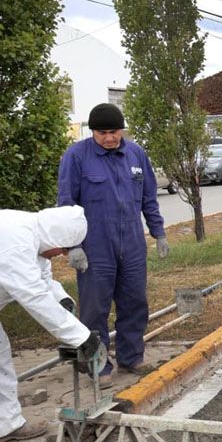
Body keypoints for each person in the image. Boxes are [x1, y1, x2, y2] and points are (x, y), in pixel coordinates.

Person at [0, 206, 99, 442]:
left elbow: (43, 283)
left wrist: (63, 302)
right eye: (62, 248)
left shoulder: (36, 241)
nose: (61, 254)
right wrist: (80, 337)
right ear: (55, 237)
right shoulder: (13, 238)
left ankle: (2, 425)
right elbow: (31, 294)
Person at [57, 103, 169, 388]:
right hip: (95, 248)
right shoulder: (76, 157)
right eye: (103, 132)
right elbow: (67, 205)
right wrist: (73, 246)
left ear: (122, 130)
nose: (109, 138)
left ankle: (132, 357)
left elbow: (149, 199)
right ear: (92, 132)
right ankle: (98, 364)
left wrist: (159, 232)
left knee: (135, 301)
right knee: (95, 308)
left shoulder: (135, 154)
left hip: (131, 243)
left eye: (114, 131)